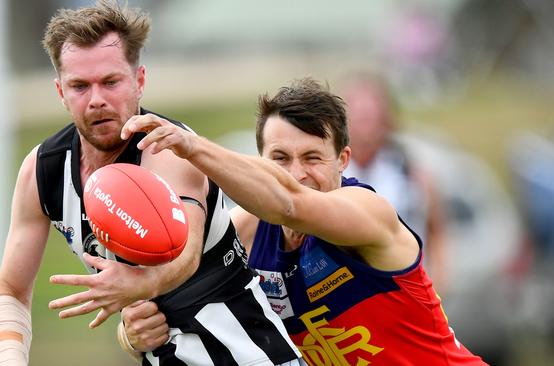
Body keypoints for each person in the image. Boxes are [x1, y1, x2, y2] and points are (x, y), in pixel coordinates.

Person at [0, 2, 302, 365]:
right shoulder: (43, 171)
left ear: (139, 82)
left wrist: (138, 288)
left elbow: (184, 255)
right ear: (60, 92)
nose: (97, 100)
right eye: (79, 86)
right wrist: (7, 357)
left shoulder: (168, 148)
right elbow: (9, 289)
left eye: (110, 82)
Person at [119, 78, 487, 365]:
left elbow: (291, 204)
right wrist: (132, 334)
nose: (297, 173)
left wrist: (192, 147)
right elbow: (172, 294)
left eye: (312, 157)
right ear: (259, 159)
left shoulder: (367, 211)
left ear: (343, 160)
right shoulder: (245, 231)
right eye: (279, 158)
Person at [340, 73, 449, 292]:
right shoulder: (332, 174)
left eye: (371, 114)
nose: (365, 122)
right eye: (358, 115)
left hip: (408, 292)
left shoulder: (411, 172)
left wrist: (439, 282)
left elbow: (437, 232)